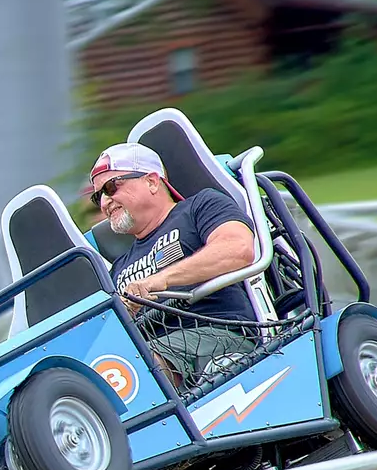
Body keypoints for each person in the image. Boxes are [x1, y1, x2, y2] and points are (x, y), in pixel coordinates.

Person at [87, 142, 260, 389]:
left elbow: (238, 249)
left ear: (151, 182)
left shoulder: (200, 206)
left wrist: (160, 280)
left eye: (111, 187)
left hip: (218, 335)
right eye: (98, 196)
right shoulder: (118, 267)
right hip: (152, 353)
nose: (105, 202)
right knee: (103, 372)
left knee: (128, 371)